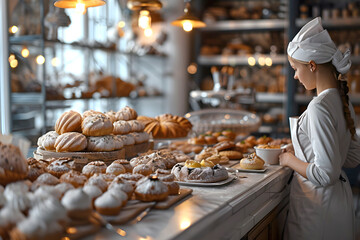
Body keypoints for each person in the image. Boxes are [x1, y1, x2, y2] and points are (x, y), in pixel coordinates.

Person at [279, 17, 360, 240]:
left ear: (312, 65)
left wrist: (288, 160)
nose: (295, 75)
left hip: (318, 209)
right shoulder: (342, 100)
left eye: (295, 68)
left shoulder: (318, 106)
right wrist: (304, 152)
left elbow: (325, 174)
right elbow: (352, 157)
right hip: (339, 204)